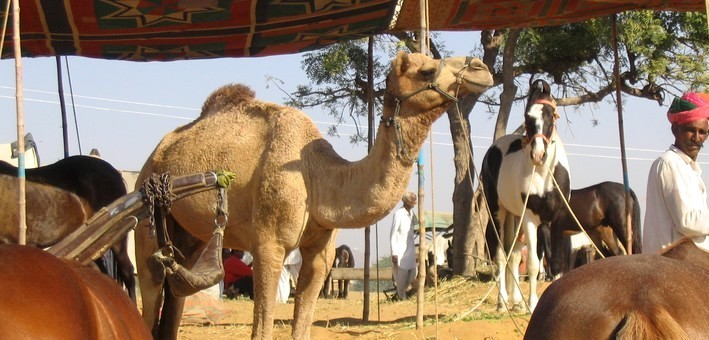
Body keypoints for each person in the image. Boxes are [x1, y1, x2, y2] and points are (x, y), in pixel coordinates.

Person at [643, 91, 709, 254]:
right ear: (675, 130)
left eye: (702, 132)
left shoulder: (687, 167)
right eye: (690, 130)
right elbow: (687, 221)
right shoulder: (670, 163)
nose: (696, 138)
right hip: (673, 265)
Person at [390, 191, 418, 300]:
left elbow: (416, 223)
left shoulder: (411, 214)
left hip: (410, 250)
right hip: (400, 251)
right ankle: (401, 297)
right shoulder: (399, 214)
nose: (414, 204)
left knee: (412, 275)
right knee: (401, 278)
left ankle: (401, 294)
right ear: (407, 202)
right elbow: (393, 233)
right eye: (413, 201)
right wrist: (394, 253)